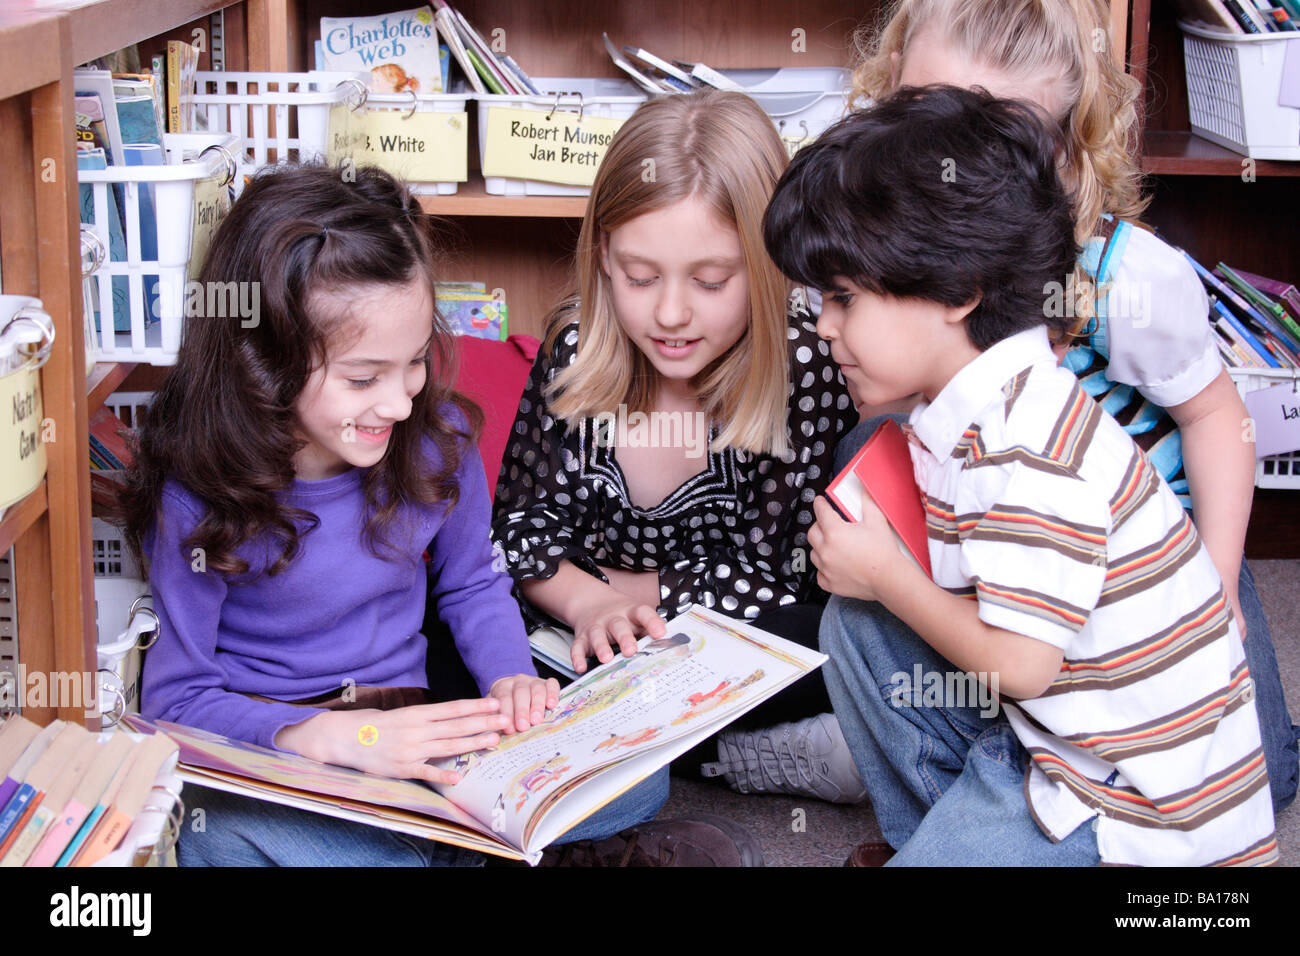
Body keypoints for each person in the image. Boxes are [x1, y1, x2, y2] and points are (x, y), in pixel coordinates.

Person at [121, 163, 722, 866]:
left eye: (412, 363)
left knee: (639, 784)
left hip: (417, 725)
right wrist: (322, 737)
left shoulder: (434, 441)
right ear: (263, 360)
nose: (402, 402)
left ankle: (453, 848)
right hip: (285, 753)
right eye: (362, 378)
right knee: (242, 837)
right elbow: (177, 699)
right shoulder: (198, 490)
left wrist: (509, 681)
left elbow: (472, 584)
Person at [764, 85, 1277, 866]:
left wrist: (890, 574)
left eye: (842, 299)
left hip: (1138, 812)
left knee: (877, 603)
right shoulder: (972, 403)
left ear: (958, 292)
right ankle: (940, 835)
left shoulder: (1025, 449)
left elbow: (1023, 669)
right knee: (857, 626)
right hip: (1063, 739)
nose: (824, 326)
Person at [490, 90, 863, 804]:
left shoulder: (809, 365)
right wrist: (589, 605)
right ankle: (712, 756)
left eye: (711, 281)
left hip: (727, 639)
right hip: (575, 634)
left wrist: (625, 592)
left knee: (842, 638)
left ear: (767, 267)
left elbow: (777, 578)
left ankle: (638, 748)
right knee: (455, 627)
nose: (669, 314)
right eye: (638, 276)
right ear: (602, 256)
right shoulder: (575, 351)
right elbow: (517, 539)